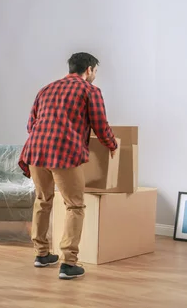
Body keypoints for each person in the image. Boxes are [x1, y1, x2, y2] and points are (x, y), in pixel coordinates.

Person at [18, 52, 118, 280]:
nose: (95, 76)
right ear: (90, 69)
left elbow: (30, 124)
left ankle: (41, 254)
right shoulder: (89, 90)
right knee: (75, 205)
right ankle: (69, 263)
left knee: (43, 200)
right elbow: (100, 125)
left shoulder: (46, 89)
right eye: (95, 72)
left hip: (35, 150)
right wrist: (112, 145)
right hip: (63, 151)